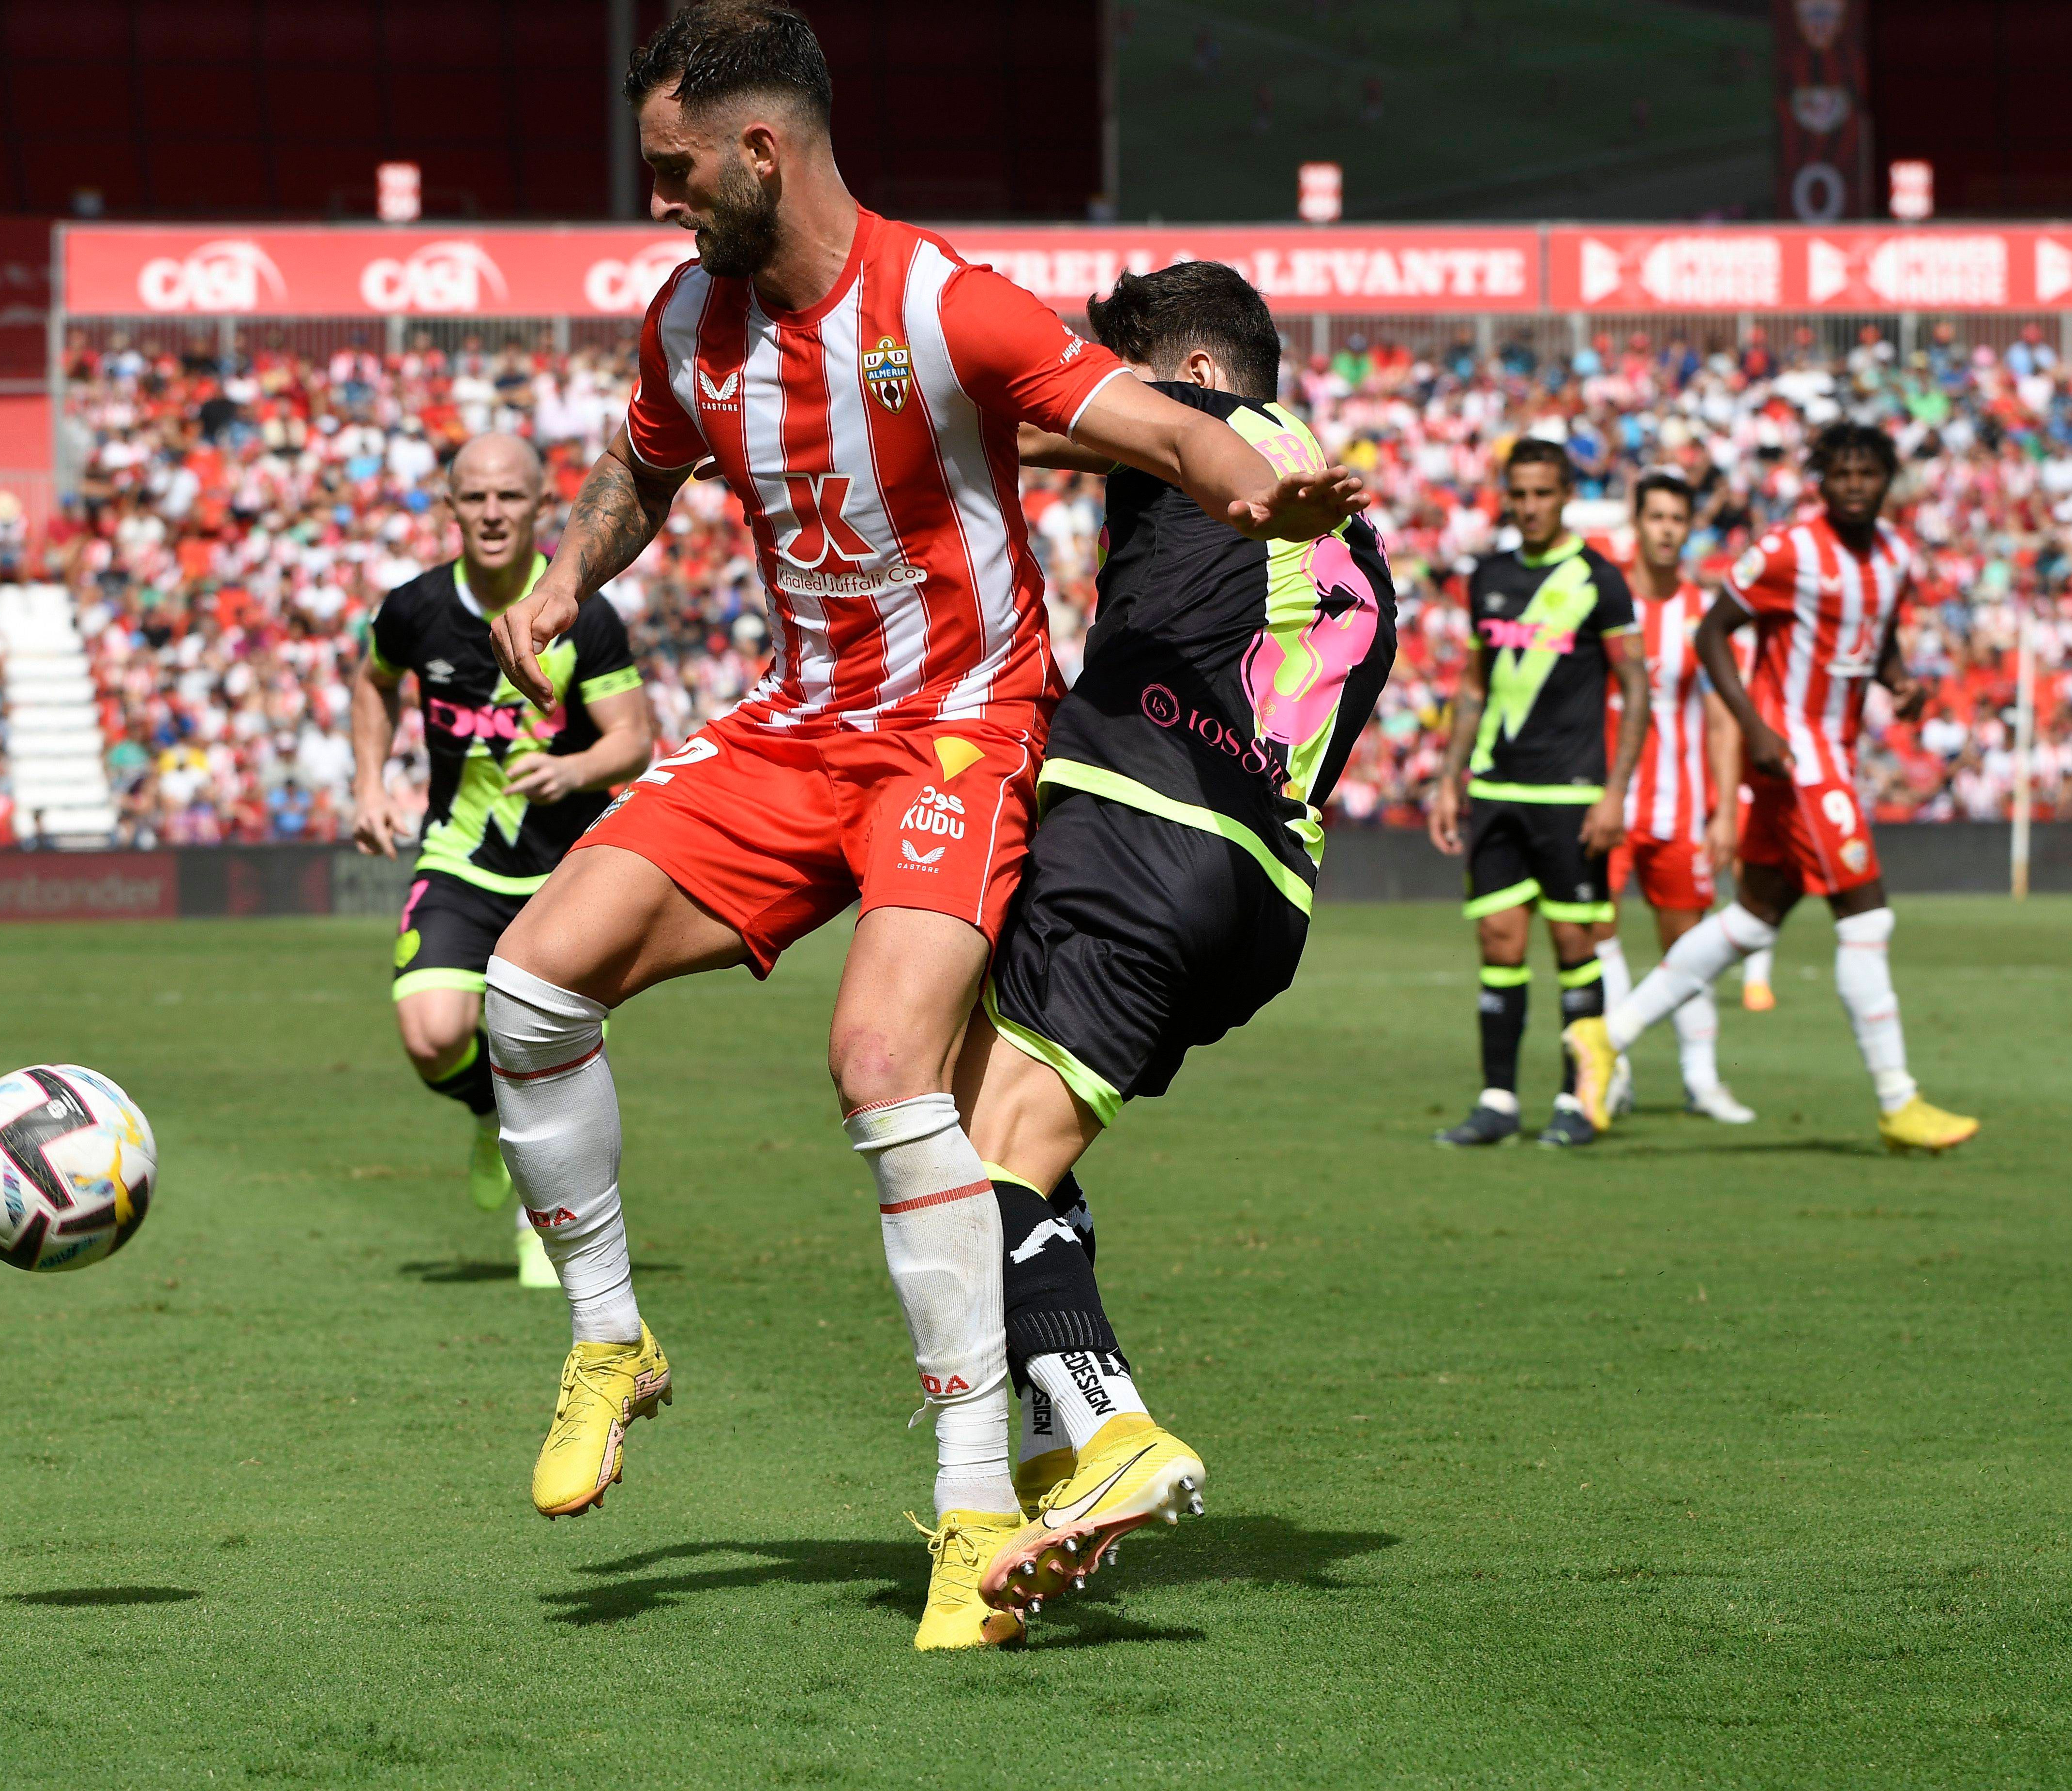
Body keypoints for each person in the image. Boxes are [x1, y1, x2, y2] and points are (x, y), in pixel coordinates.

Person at [476, 0, 1361, 1651]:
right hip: (794, 726)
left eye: (673, 170)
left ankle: (971, 1513)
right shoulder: (686, 321)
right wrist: (561, 577)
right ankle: (609, 1340)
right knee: (525, 988)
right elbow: (639, 473)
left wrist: (1251, 484)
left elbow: (1148, 420)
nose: (655, 201)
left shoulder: (940, 300)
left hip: (959, 731)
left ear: (762, 151)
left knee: (882, 1066)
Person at [947, 261, 1390, 1621]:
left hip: (1143, 828)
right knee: (977, 1111)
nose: (1100, 392)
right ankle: (1056, 1447)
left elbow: (1011, 422)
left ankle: (1108, 1429)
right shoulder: (1351, 545)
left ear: (1189, 377)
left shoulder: (1209, 430)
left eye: (1118, 370)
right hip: (1264, 899)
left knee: (968, 1166)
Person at [1567, 422, 1979, 1152]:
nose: (1855, 486)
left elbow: (1875, 635)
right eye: (1841, 474)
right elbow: (1712, 633)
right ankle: (1898, 1099)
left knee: (1754, 920)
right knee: (1866, 917)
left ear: (1888, 482)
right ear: (1822, 481)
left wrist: (1899, 683)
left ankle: (1607, 1035)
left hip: (1834, 751)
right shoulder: (1790, 550)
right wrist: (1755, 728)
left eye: (1868, 474)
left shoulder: (1895, 554)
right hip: (1796, 755)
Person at [349, 433, 654, 1285]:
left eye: (509, 497)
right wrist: (369, 782)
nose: (491, 514)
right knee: (432, 1035)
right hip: (460, 861)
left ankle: (543, 1232)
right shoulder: (413, 608)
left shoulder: (584, 615)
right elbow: (373, 681)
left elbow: (632, 738)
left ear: (541, 507)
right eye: (475, 497)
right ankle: (489, 1114)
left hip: (568, 877)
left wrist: (573, 769)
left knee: (547, 1060)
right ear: (450, 507)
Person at [1427, 440, 1649, 1149]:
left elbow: (1637, 688)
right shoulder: (1488, 576)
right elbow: (1473, 685)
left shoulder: (1599, 580)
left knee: (1575, 943)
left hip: (1571, 793)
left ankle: (1578, 1098)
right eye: (1518, 494)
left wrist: (1615, 793)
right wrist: (1450, 778)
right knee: (1498, 940)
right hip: (1496, 787)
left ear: (1566, 495)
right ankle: (1497, 1101)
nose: (1529, 507)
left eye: (1543, 494)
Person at [1586, 470, 1755, 1124]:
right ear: (1637, 522)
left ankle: (1702, 1079)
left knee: (1687, 947)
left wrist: (1725, 811)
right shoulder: (1606, 601)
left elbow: (1722, 721)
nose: (1665, 530)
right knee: (1597, 934)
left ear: (1689, 529)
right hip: (1609, 801)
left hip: (1680, 809)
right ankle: (1615, 1073)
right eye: (1655, 517)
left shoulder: (1703, 617)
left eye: (1677, 520)